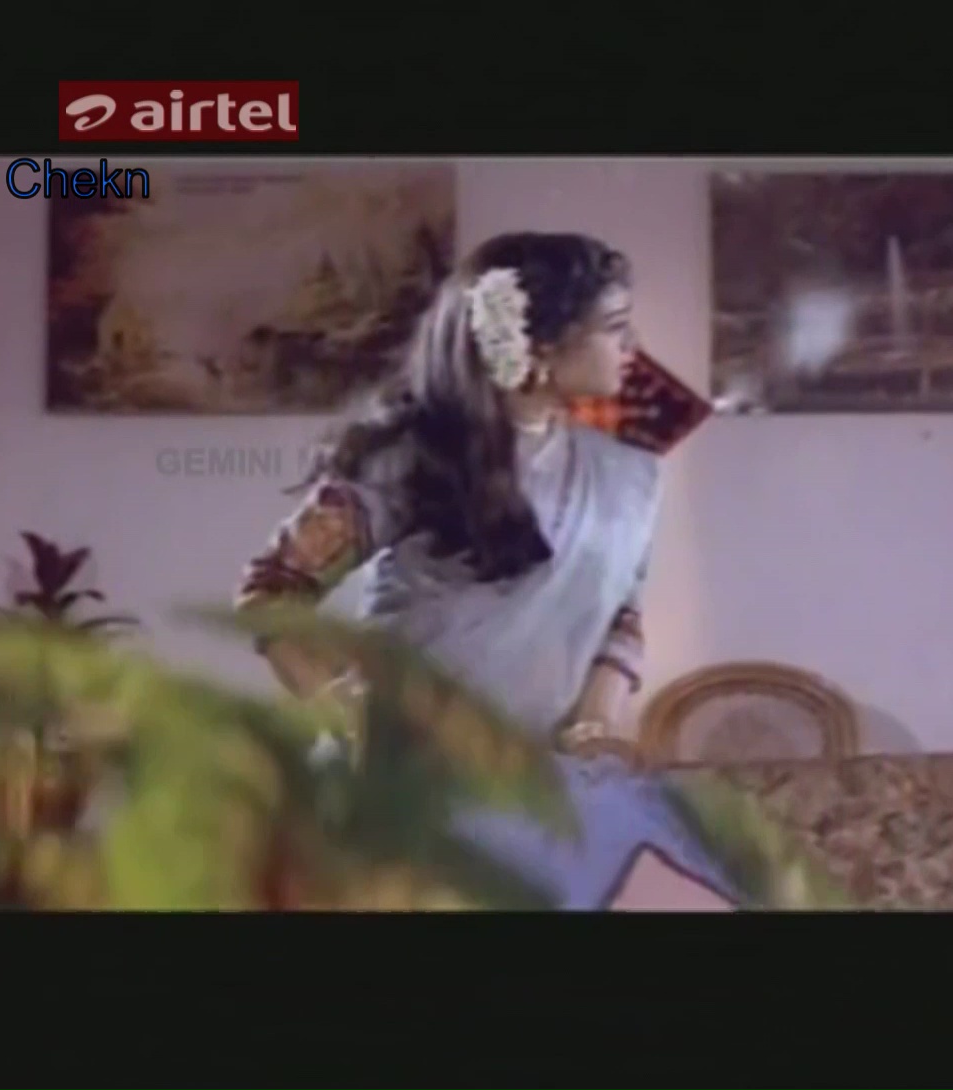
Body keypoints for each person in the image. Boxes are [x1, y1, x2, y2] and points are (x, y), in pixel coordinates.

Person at [235, 231, 735, 911]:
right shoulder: (413, 458)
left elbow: (621, 611)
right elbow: (271, 592)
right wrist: (347, 711)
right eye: (615, 327)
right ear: (539, 348)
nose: (633, 346)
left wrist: (594, 722)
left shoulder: (626, 472)